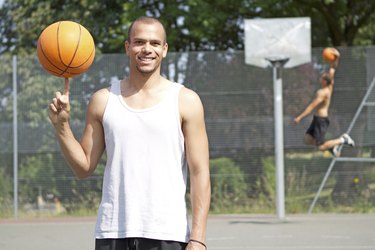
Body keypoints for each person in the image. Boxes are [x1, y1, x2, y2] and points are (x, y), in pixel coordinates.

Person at [48, 16, 211, 250]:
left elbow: (200, 173)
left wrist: (198, 238)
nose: (147, 49)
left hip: (167, 232)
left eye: (155, 43)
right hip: (113, 231)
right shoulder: (103, 100)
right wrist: (62, 126)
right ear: (128, 47)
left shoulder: (186, 100)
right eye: (139, 42)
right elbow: (83, 167)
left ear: (164, 50)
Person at [293, 48, 355, 157]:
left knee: (321, 147)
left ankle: (342, 139)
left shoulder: (323, 93)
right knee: (307, 139)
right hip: (317, 119)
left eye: (322, 78)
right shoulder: (330, 85)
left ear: (325, 81)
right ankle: (331, 146)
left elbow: (312, 106)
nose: (320, 78)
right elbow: (333, 68)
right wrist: (337, 57)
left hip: (321, 121)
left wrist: (300, 117)